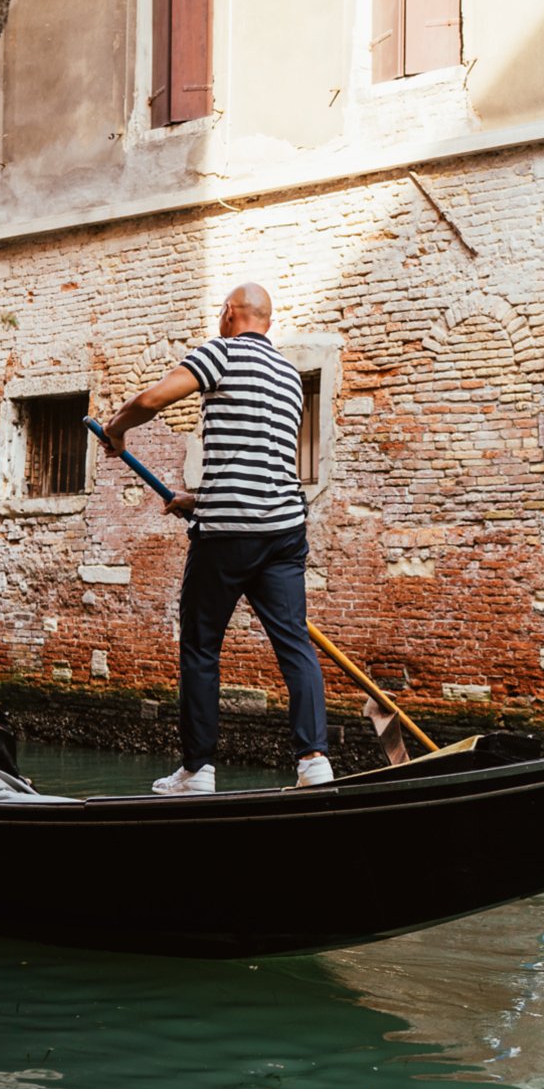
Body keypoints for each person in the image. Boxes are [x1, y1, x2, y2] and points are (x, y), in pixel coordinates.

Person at [100, 283, 334, 794]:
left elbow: (152, 399)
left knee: (202, 647)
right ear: (267, 322)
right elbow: (259, 456)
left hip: (229, 533)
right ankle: (314, 760)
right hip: (284, 527)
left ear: (229, 315)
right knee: (294, 643)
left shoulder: (220, 352)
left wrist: (117, 430)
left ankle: (197, 770)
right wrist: (196, 499)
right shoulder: (291, 376)